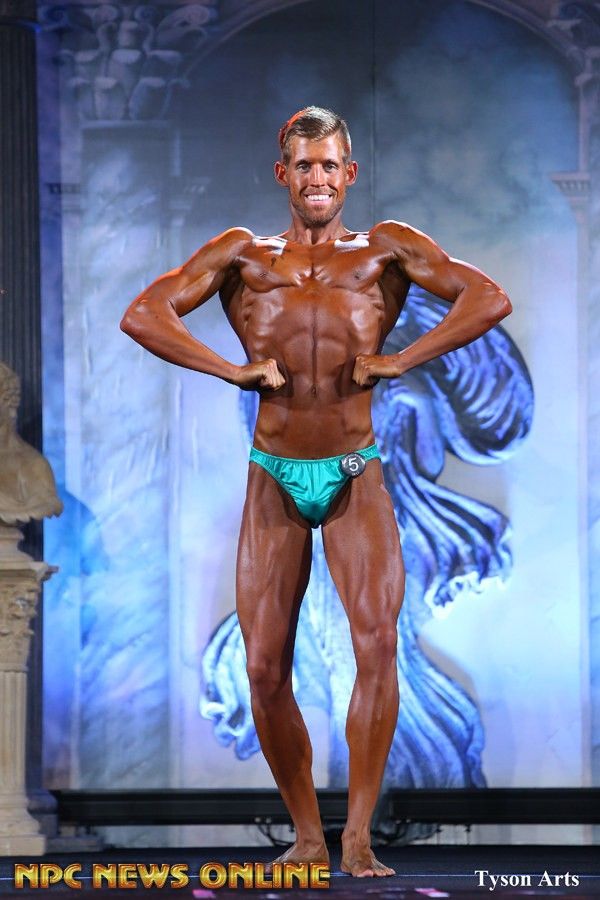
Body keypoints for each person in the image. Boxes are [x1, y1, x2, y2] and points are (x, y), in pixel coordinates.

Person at [120, 106, 511, 877]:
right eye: (304, 166)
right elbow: (143, 313)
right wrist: (229, 370)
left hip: (355, 468)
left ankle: (358, 836)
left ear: (349, 173)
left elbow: (487, 298)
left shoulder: (385, 248)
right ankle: (306, 835)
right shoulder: (242, 254)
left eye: (330, 165)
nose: (318, 179)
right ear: (284, 174)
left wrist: (403, 360)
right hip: (274, 471)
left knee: (378, 646)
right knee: (264, 669)